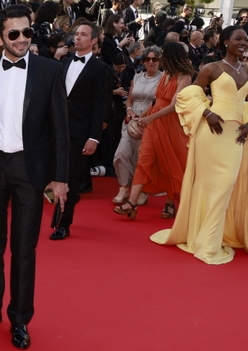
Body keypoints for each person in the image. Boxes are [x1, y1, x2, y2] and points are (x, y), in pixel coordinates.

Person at [0, 4, 69, 348]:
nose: (22, 39)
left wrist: (60, 177)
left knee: (24, 248)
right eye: (14, 34)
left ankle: (20, 319)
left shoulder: (49, 70)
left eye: (27, 32)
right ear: (0, 38)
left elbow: (60, 128)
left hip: (29, 169)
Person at [151, 25, 248, 264]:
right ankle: (208, 240)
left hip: (237, 136)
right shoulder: (211, 68)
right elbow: (188, 95)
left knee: (227, 183)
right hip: (211, 133)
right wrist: (205, 112)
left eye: (246, 39)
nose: (244, 42)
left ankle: (213, 235)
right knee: (211, 185)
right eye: (238, 39)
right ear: (225, 42)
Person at [114, 42, 193, 219]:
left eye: (164, 55)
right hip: (155, 121)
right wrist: (145, 117)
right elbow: (156, 101)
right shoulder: (165, 75)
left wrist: (150, 117)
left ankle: (171, 202)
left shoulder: (184, 77)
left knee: (170, 163)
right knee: (145, 159)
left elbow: (174, 106)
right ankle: (132, 203)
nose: (161, 58)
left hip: (171, 124)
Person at [50, 21, 111, 240]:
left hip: (80, 132)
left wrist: (94, 137)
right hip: (56, 130)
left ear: (94, 40)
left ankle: (64, 224)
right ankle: (60, 210)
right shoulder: (63, 63)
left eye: (84, 35)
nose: (78, 38)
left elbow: (100, 106)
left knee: (72, 178)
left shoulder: (101, 69)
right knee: (54, 173)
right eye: (76, 34)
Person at [112, 46, 163, 204]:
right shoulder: (137, 77)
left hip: (150, 119)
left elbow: (159, 101)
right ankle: (123, 187)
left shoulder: (164, 78)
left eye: (154, 59)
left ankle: (139, 189)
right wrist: (129, 110)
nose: (151, 62)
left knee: (141, 156)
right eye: (147, 59)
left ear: (160, 61)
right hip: (131, 119)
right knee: (122, 152)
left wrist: (145, 115)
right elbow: (130, 98)